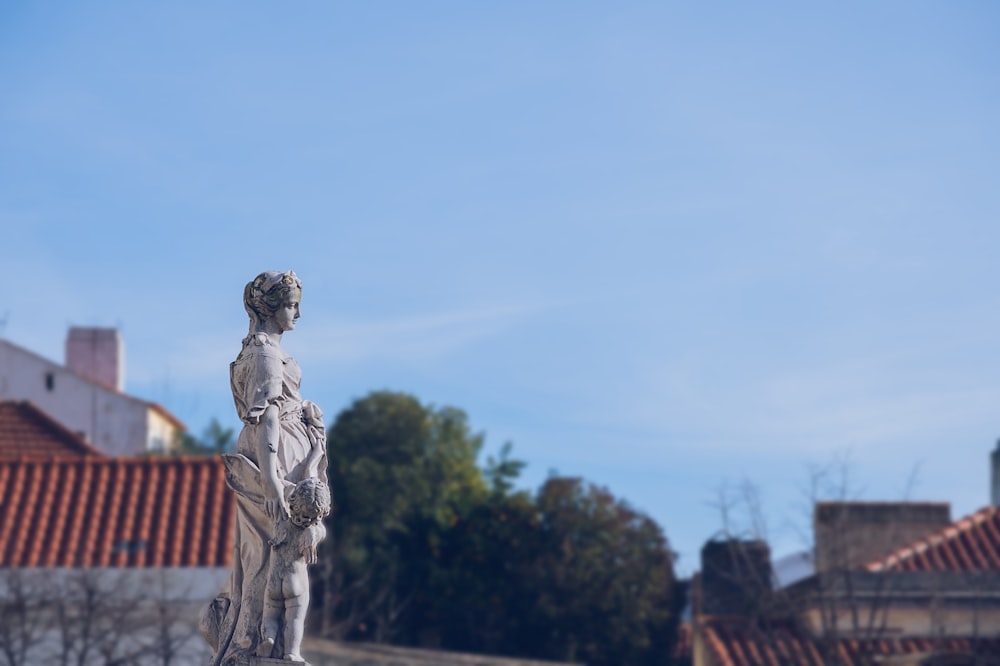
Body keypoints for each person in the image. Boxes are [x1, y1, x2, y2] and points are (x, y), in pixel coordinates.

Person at [201, 270, 328, 666]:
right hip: (271, 459)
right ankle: (256, 642)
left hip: (282, 456)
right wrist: (272, 479)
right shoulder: (263, 355)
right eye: (292, 306)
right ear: (271, 308)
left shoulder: (263, 350)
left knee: (271, 552)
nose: (298, 315)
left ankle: (264, 641)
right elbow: (267, 417)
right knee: (270, 554)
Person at [258, 476, 332, 662]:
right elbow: (320, 530)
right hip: (295, 581)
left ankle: (268, 638)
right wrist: (314, 530)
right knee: (295, 619)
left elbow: (279, 488)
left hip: (274, 579)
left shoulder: (280, 521)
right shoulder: (311, 534)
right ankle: (291, 652)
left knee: (270, 613)